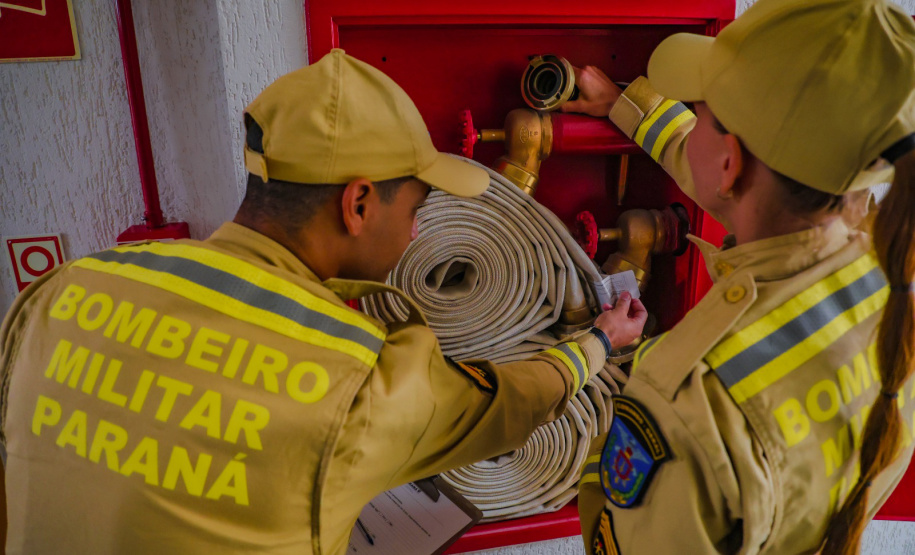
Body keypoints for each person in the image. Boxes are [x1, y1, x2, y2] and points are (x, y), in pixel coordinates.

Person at [0, 50, 647, 554]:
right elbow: (505, 404)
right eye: (417, 207)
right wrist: (599, 342)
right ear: (358, 202)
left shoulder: (62, 290)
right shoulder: (364, 380)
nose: (419, 231)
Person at [563, 0, 915, 553]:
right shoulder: (891, 285)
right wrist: (625, 105)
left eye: (699, 110)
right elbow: (725, 166)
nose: (693, 120)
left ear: (729, 164)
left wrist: (593, 379)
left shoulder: (687, 407)